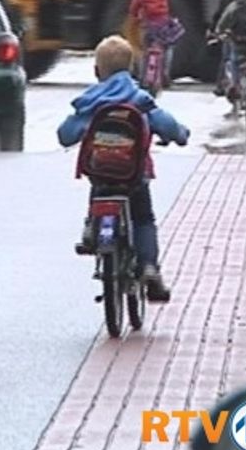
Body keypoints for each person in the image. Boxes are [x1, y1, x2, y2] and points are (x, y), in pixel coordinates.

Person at [57, 35, 190, 302]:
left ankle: (92, 227)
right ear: (132, 68)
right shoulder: (139, 100)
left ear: (97, 71)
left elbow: (65, 135)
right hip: (134, 175)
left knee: (99, 185)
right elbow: (170, 127)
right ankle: (149, 267)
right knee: (143, 219)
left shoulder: (91, 102)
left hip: (100, 174)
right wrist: (181, 134)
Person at [129, 0, 179, 85]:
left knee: (145, 50)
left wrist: (136, 17)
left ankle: (142, 76)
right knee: (168, 48)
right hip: (163, 26)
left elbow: (133, 9)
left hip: (148, 27)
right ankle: (165, 74)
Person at [210, 0, 242, 99]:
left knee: (226, 58)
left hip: (230, 33)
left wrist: (213, 30)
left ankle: (220, 86)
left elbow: (219, 16)